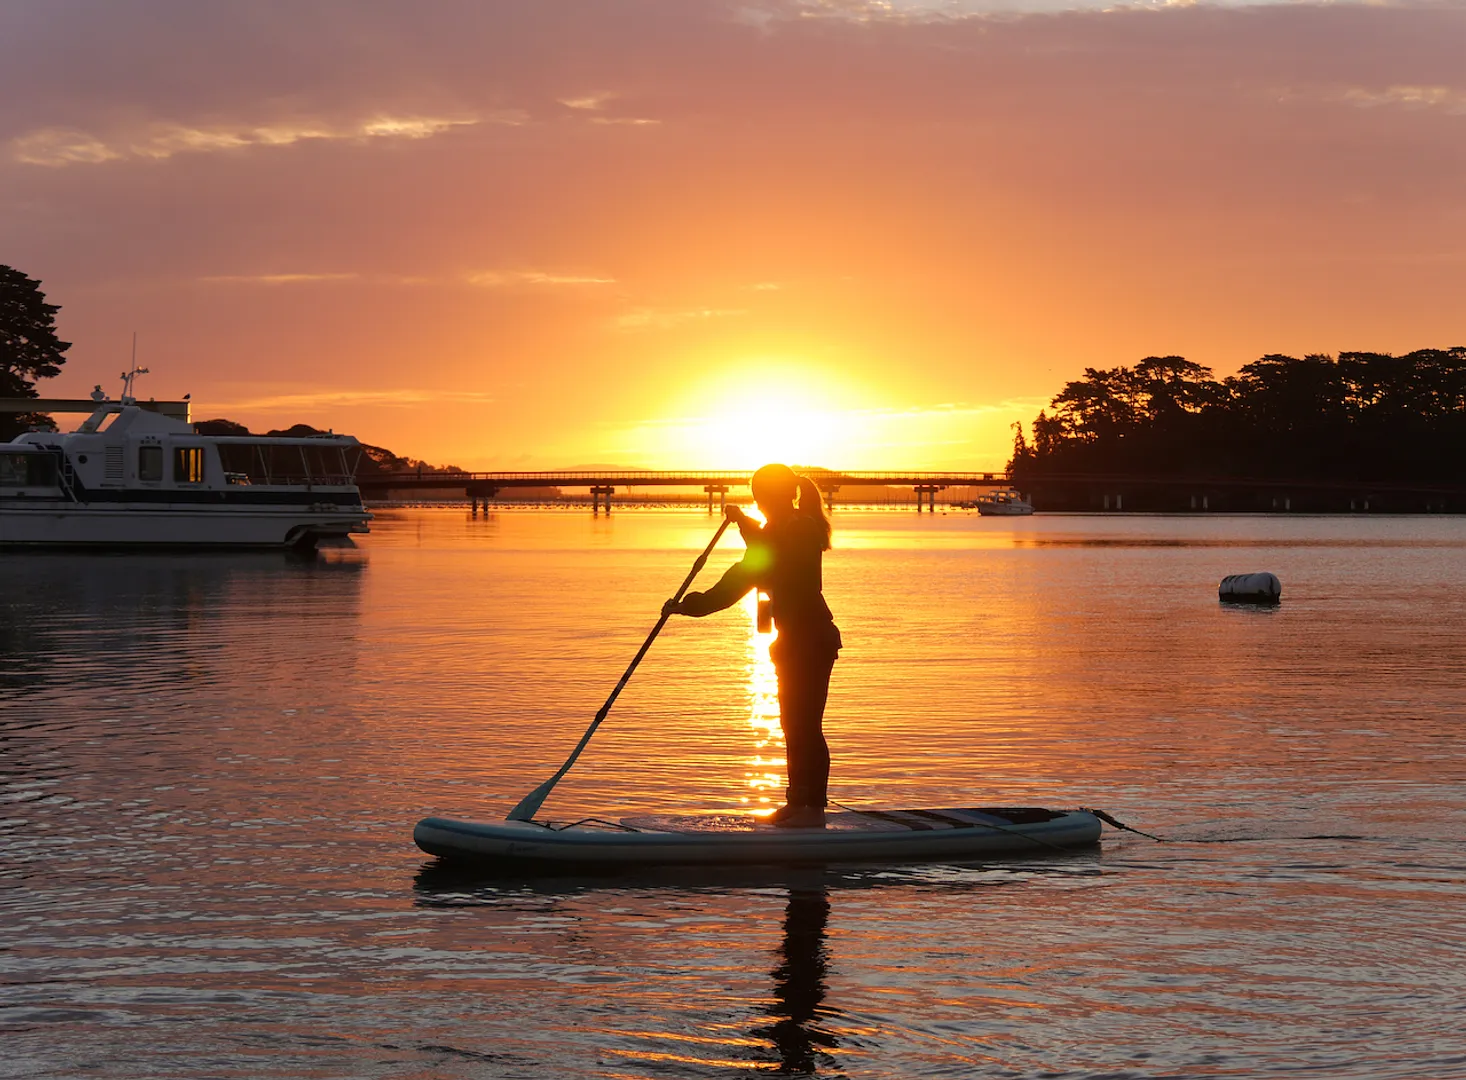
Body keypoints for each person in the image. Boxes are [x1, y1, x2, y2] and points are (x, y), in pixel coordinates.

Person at [664, 464, 842, 828]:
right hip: (792, 640)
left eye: (759, 497)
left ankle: (813, 810)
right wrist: (688, 606)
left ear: (772, 496)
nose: (757, 504)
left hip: (812, 640)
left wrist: (744, 522)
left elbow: (768, 558)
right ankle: (798, 804)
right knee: (792, 724)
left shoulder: (801, 529)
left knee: (806, 725)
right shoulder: (777, 531)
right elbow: (736, 583)